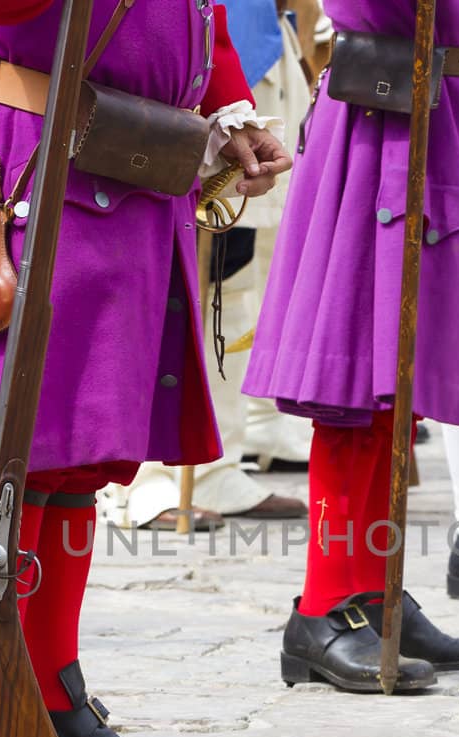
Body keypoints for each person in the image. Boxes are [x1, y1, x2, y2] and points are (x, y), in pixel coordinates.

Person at [0, 1, 291, 737]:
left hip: (130, 160)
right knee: (10, 463)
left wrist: (222, 106)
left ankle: (56, 701)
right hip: (32, 156)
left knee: (77, 460)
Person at [244, 0, 459, 691]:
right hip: (388, 127)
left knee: (402, 386)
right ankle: (326, 604)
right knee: (356, 380)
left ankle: (373, 590)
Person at [99, 0, 312, 532]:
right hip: (140, 85)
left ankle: (216, 459)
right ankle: (131, 479)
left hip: (235, 59)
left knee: (233, 282)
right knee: (150, 287)